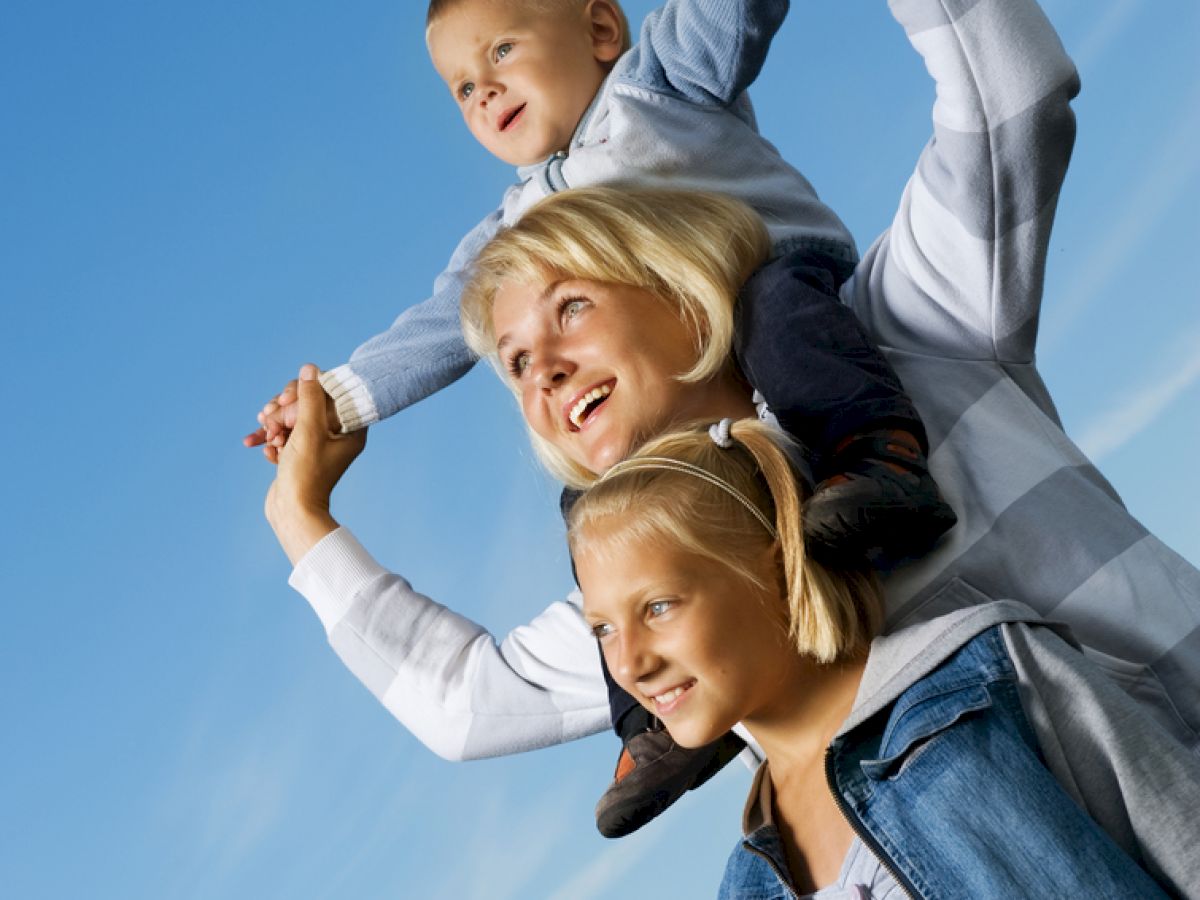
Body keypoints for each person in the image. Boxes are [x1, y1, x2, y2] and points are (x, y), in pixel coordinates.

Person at [264, 0, 1200, 850]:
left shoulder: (915, 338)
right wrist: (307, 502)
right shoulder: (649, 570)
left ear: (672, 277)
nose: (540, 366)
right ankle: (653, 740)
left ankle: (877, 463)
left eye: (574, 308)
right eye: (510, 361)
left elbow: (1012, 96)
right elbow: (466, 705)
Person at [246, 0, 956, 563]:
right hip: (679, 361)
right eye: (463, 88)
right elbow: (444, 323)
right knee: (592, 495)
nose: (484, 90)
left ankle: (878, 459)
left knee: (774, 312)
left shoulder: (659, 84)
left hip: (776, 279)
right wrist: (335, 400)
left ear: (600, 28)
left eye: (501, 50)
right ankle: (645, 713)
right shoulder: (514, 227)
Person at [567, 417, 1200, 898]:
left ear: (780, 571)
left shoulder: (989, 684)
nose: (629, 664)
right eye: (602, 629)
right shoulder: (746, 882)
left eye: (658, 608)